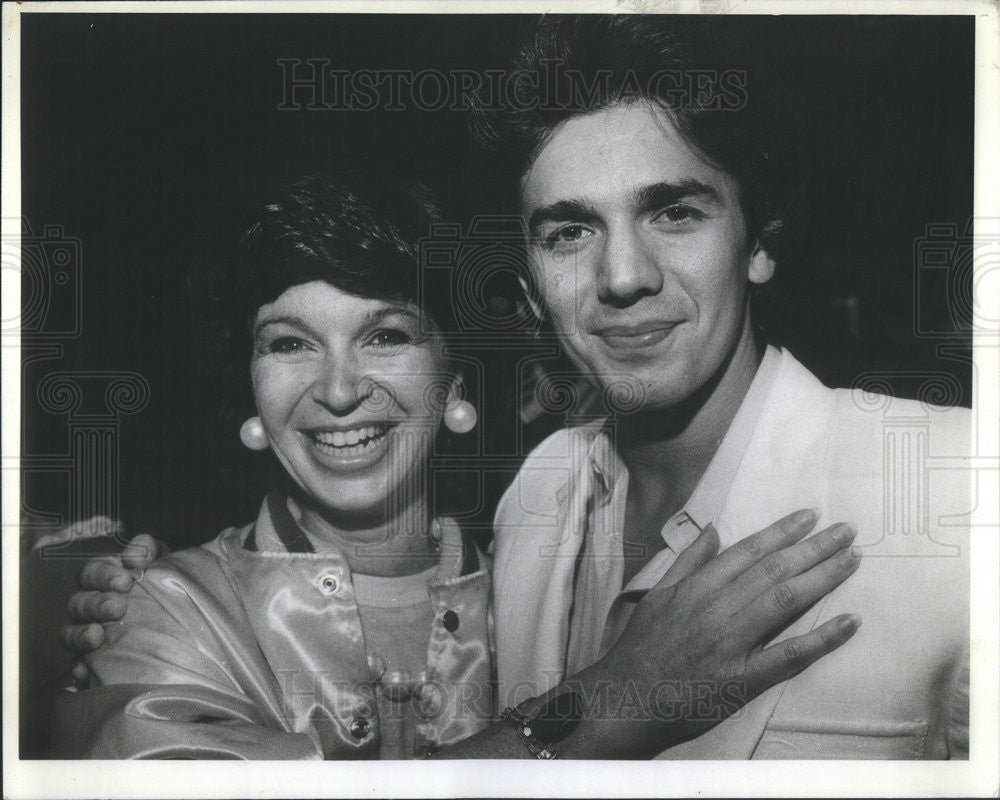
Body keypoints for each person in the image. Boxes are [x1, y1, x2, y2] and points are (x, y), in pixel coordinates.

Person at [51, 170, 863, 760]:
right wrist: (609, 704)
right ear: (253, 396)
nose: (338, 390)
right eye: (290, 343)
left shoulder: (542, 591)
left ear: (456, 389)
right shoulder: (162, 612)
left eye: (387, 336)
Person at [474, 16, 970, 759]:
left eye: (674, 213)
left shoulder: (952, 483)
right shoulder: (535, 493)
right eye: (570, 232)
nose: (622, 277)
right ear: (534, 289)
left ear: (759, 246)